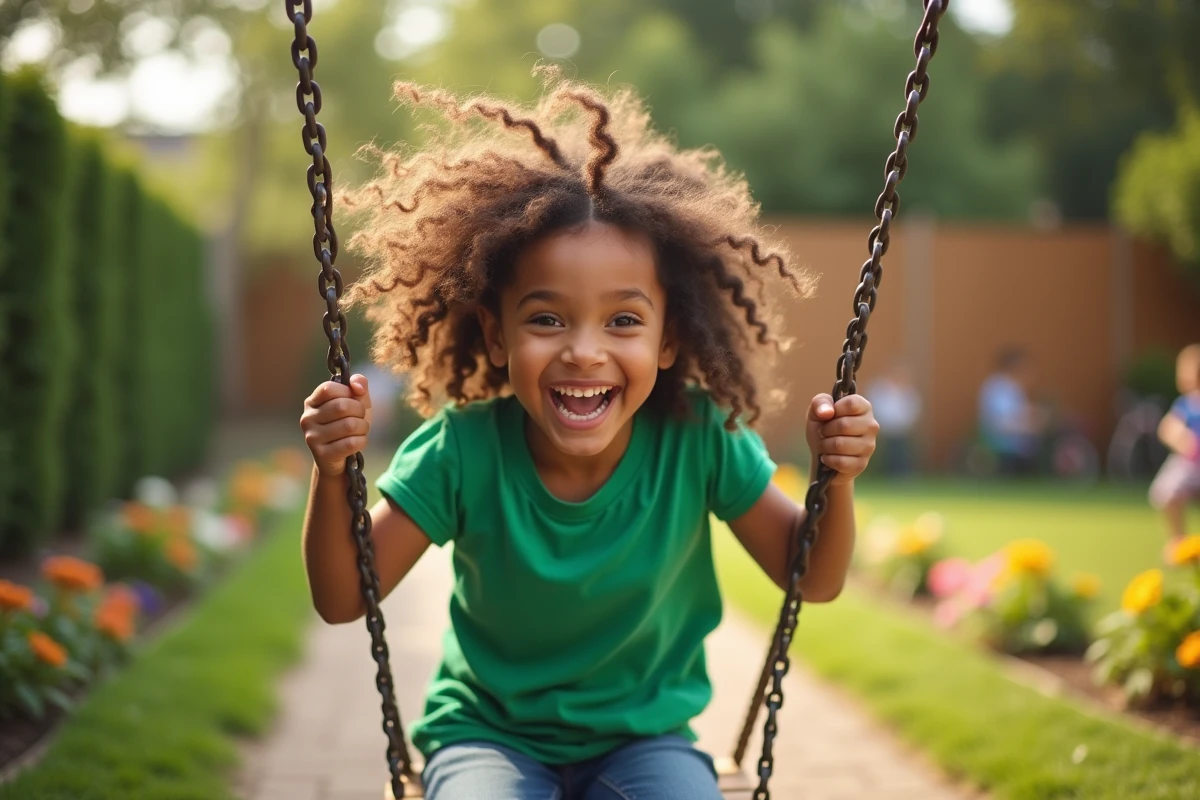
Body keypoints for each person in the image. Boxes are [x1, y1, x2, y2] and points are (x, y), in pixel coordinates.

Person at [298, 72, 878, 800]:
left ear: (670, 340)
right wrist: (331, 474)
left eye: (624, 321)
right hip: (488, 737)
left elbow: (811, 577)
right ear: (496, 333)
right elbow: (345, 595)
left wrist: (838, 481)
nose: (584, 351)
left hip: (646, 741)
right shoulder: (464, 450)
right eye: (546, 318)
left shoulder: (699, 437)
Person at [1149, 344, 1200, 553]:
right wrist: (1181, 439)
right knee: (1166, 493)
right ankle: (1179, 540)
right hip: (1189, 464)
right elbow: (1167, 427)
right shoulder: (1186, 405)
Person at [977, 347, 1045, 476]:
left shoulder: (1013, 388)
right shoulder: (999, 388)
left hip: (1016, 444)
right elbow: (1001, 423)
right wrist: (1030, 424)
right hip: (1004, 448)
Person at [865, 361, 921, 477]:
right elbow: (876, 405)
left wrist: (908, 423)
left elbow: (913, 408)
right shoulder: (882, 388)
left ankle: (902, 474)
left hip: (902, 429)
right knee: (887, 453)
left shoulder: (907, 391)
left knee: (902, 453)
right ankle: (886, 473)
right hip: (886, 428)